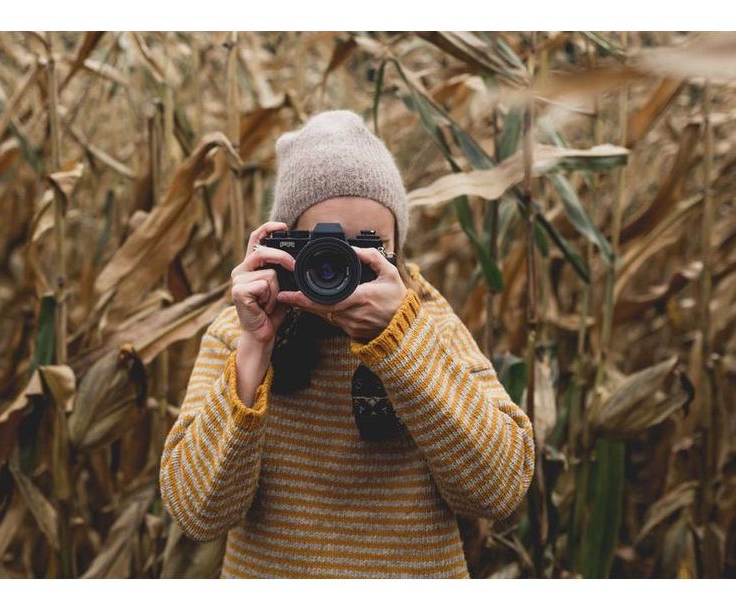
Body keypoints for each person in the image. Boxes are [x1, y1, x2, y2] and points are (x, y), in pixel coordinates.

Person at [159, 109, 536, 578]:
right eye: (323, 248)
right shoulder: (240, 331)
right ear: (284, 244)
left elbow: (497, 491)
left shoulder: (429, 325)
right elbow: (198, 513)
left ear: (399, 246)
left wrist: (398, 342)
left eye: (368, 247)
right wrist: (254, 351)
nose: (340, 265)